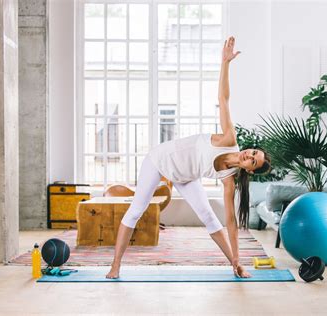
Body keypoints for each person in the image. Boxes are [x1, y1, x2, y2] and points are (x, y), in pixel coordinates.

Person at [106, 36, 271, 279]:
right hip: (159, 160)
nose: (249, 155)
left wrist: (239, 259)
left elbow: (231, 222)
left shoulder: (229, 180)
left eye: (253, 161)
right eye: (254, 152)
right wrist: (225, 63)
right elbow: (223, 99)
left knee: (209, 217)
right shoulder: (228, 138)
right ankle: (115, 266)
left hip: (185, 177)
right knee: (136, 210)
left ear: (249, 170)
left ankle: (234, 265)